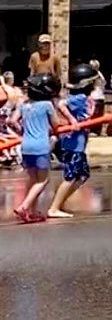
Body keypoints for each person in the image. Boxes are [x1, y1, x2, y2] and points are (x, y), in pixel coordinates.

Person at [11, 73, 64, 222]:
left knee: (33, 179)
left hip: (26, 145)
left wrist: (23, 129)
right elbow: (56, 124)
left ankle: (32, 212)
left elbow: (12, 120)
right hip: (41, 146)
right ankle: (24, 206)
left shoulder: (24, 104)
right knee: (43, 180)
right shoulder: (47, 105)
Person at [48, 62, 96, 218]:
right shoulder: (79, 97)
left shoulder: (84, 98)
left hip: (79, 144)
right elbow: (61, 104)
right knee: (71, 176)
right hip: (72, 145)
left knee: (82, 174)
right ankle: (54, 208)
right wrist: (72, 120)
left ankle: (60, 203)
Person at [0, 72, 22, 168]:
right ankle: (9, 154)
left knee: (11, 135)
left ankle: (10, 154)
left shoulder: (9, 90)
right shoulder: (15, 90)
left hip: (8, 116)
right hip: (10, 116)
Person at [88, 59, 107, 134]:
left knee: (95, 114)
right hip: (99, 95)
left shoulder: (96, 74)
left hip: (95, 96)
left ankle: (95, 130)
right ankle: (95, 130)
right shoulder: (99, 74)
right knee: (97, 114)